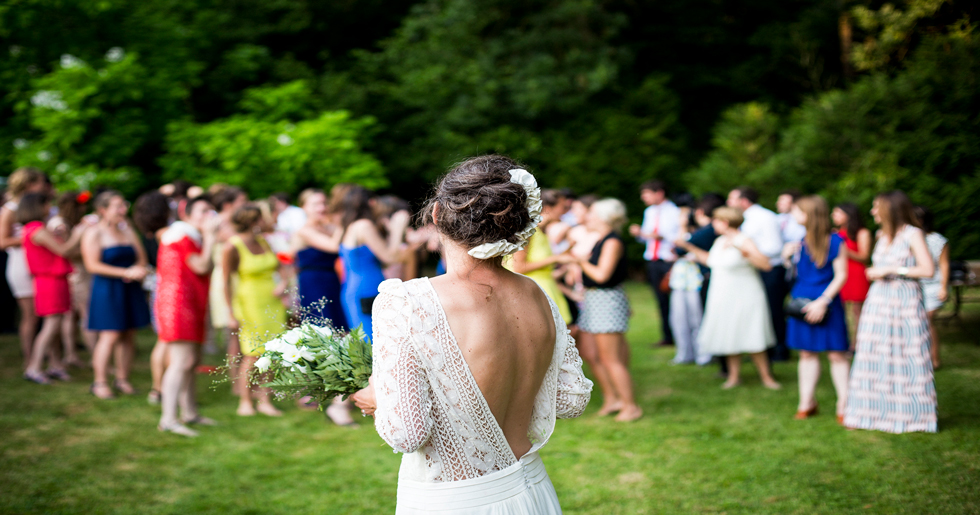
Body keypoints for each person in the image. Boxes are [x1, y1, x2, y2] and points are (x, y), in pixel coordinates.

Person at [350, 155, 592, 514]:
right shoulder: (538, 294)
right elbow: (571, 400)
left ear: (435, 215)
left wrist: (377, 395)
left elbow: (407, 433)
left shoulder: (407, 302)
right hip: (533, 492)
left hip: (455, 500)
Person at [844, 191, 936, 433]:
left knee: (907, 353)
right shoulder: (880, 235)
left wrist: (893, 269)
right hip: (879, 300)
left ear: (890, 209)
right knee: (874, 353)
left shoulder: (912, 234)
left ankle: (911, 415)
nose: (873, 211)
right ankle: (870, 412)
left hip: (904, 300)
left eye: (876, 207)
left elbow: (927, 270)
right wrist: (876, 271)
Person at [690, 207, 781, 389]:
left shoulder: (744, 240)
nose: (712, 224)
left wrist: (742, 250)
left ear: (724, 222)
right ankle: (733, 376)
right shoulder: (719, 241)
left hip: (745, 294)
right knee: (729, 333)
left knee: (752, 332)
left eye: (715, 220)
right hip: (722, 294)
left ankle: (766, 377)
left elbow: (765, 264)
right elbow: (711, 262)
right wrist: (687, 247)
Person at [571, 198, 642, 422]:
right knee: (596, 355)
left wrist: (581, 262)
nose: (587, 217)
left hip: (606, 301)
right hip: (595, 300)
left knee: (611, 358)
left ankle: (631, 406)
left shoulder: (612, 242)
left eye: (591, 213)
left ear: (603, 218)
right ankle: (614, 399)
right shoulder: (602, 239)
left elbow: (602, 275)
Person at [156, 196, 220, 437]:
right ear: (187, 215)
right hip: (178, 304)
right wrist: (212, 237)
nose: (209, 216)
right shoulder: (181, 236)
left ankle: (189, 413)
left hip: (190, 303)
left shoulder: (189, 237)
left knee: (191, 361)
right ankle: (168, 419)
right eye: (203, 211)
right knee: (180, 361)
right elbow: (202, 266)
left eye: (211, 211)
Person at [783, 196, 850, 422]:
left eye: (797, 211)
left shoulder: (835, 241)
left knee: (836, 354)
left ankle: (845, 405)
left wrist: (823, 301)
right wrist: (786, 258)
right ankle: (806, 402)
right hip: (802, 300)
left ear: (809, 214)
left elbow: (842, 275)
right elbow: (795, 273)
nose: (793, 215)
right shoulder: (800, 241)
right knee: (806, 352)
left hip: (826, 300)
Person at [82, 191, 151, 399]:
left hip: (130, 288)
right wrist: (125, 272)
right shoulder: (94, 233)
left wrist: (138, 269)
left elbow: (141, 258)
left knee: (129, 334)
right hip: (107, 289)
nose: (123, 210)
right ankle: (100, 382)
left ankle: (122, 378)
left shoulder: (128, 231)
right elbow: (92, 265)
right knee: (110, 335)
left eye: (124, 205)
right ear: (103, 210)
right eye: (118, 206)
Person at [19, 193, 89, 383]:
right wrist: (79, 233)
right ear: (38, 205)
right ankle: (34, 367)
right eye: (47, 202)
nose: (50, 206)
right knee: (51, 325)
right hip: (49, 281)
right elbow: (64, 250)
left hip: (54, 280)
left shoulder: (35, 229)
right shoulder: (37, 229)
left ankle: (55, 365)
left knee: (55, 325)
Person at [223, 204, 286, 417]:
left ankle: (265, 399)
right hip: (249, 302)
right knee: (251, 354)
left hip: (272, 302)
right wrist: (230, 312)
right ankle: (245, 400)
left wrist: (283, 283)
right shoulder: (232, 246)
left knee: (272, 352)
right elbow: (225, 282)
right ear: (253, 221)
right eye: (260, 218)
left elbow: (280, 265)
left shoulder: (264, 242)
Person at [335, 184, 409, 338]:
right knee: (373, 342)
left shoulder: (350, 225)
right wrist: (397, 228)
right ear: (371, 203)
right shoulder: (364, 225)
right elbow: (390, 257)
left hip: (355, 289)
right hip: (366, 291)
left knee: (367, 341)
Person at [728, 187, 789, 361]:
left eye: (732, 199)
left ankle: (779, 350)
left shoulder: (765, 217)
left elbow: (775, 246)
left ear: (744, 201)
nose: (729, 203)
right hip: (752, 270)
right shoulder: (745, 219)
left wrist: (750, 251)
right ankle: (762, 348)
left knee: (773, 310)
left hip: (770, 270)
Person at [1, 167, 47, 368]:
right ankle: (29, 358)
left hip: (40, 261)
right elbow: (2, 241)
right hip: (21, 263)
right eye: (38, 182)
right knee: (30, 315)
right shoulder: (10, 209)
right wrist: (29, 237)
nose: (42, 186)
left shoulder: (38, 205)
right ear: (28, 184)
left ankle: (44, 356)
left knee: (46, 312)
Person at [670, 196, 724, 366]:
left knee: (696, 318)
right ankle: (687, 353)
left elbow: (679, 247)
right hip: (683, 279)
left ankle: (703, 354)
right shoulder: (699, 231)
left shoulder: (705, 231)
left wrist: (683, 226)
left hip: (696, 280)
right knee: (680, 318)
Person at [507, 189, 572, 325]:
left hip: (548, 289)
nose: (566, 211)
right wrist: (555, 259)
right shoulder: (529, 232)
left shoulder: (543, 232)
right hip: (532, 292)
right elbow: (518, 267)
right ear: (548, 208)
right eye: (563, 207)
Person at [133, 191, 174, 405]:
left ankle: (159, 388)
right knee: (166, 340)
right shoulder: (167, 234)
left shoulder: (147, 234)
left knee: (163, 339)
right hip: (168, 287)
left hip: (158, 286)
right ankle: (161, 387)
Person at [629, 181, 680, 347]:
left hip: (668, 260)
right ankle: (667, 336)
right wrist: (640, 234)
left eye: (647, 193)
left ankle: (680, 336)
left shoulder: (674, 211)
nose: (644, 197)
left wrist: (645, 233)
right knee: (661, 300)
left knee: (676, 300)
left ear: (659, 193)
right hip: (653, 259)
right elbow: (648, 236)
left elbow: (667, 235)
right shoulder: (649, 212)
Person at [48, 190, 94, 367]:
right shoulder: (60, 224)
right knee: (84, 315)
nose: (84, 209)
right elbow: (66, 252)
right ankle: (91, 354)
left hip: (75, 273)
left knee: (71, 316)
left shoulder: (64, 222)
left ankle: (71, 354)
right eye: (81, 205)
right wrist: (90, 251)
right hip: (75, 274)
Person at [210, 186, 247, 393]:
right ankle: (236, 383)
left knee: (240, 334)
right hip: (226, 280)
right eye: (242, 201)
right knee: (234, 335)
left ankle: (242, 379)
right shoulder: (222, 224)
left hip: (237, 279)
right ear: (228, 205)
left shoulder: (231, 223)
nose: (246, 205)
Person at [292, 188, 347, 328]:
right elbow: (334, 246)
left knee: (339, 324)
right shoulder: (304, 231)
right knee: (323, 323)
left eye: (324, 203)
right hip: (313, 281)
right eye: (315, 204)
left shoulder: (329, 228)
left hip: (333, 279)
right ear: (304, 207)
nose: (322, 208)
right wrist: (342, 221)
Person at [832, 202, 872, 340]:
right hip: (841, 273)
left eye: (837, 213)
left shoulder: (862, 232)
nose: (833, 216)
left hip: (857, 274)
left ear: (848, 215)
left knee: (857, 311)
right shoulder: (836, 233)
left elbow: (864, 256)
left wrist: (843, 249)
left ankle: (859, 342)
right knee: (842, 311)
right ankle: (845, 341)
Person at [915, 206, 949, 369]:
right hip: (916, 286)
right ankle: (920, 358)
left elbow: (944, 265)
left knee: (927, 321)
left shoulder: (938, 240)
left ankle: (934, 359)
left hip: (934, 286)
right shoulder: (911, 238)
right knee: (919, 324)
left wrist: (943, 287)